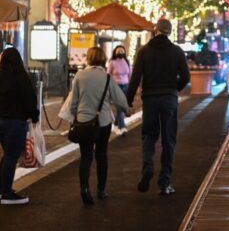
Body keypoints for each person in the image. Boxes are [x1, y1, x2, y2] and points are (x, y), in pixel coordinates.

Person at [127, 18, 190, 196]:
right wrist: (174, 89)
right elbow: (185, 77)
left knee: (149, 135)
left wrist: (128, 101)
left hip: (150, 99)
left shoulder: (144, 51)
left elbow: (135, 79)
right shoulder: (177, 51)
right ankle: (165, 182)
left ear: (155, 30)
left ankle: (148, 167)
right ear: (169, 32)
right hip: (169, 98)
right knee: (169, 139)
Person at [70, 46, 130, 204]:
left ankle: (84, 188)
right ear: (104, 59)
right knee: (101, 155)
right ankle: (101, 190)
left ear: (88, 58)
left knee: (85, 157)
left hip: (83, 122)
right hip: (102, 122)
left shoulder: (79, 76)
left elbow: (73, 102)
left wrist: (74, 116)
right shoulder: (107, 77)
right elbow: (119, 98)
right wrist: (127, 109)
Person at [0, 48, 39, 205]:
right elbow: (30, 99)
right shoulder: (21, 76)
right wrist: (34, 115)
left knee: (7, 154)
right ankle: (7, 193)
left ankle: (0, 189)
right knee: (11, 156)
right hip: (15, 121)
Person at [107, 45, 131, 136]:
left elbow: (130, 74)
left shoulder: (127, 62)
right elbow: (108, 75)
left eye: (122, 51)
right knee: (120, 107)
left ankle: (116, 124)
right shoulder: (112, 62)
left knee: (122, 106)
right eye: (118, 51)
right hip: (116, 87)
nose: (120, 52)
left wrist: (132, 87)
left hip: (126, 86)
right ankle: (123, 127)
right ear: (115, 52)